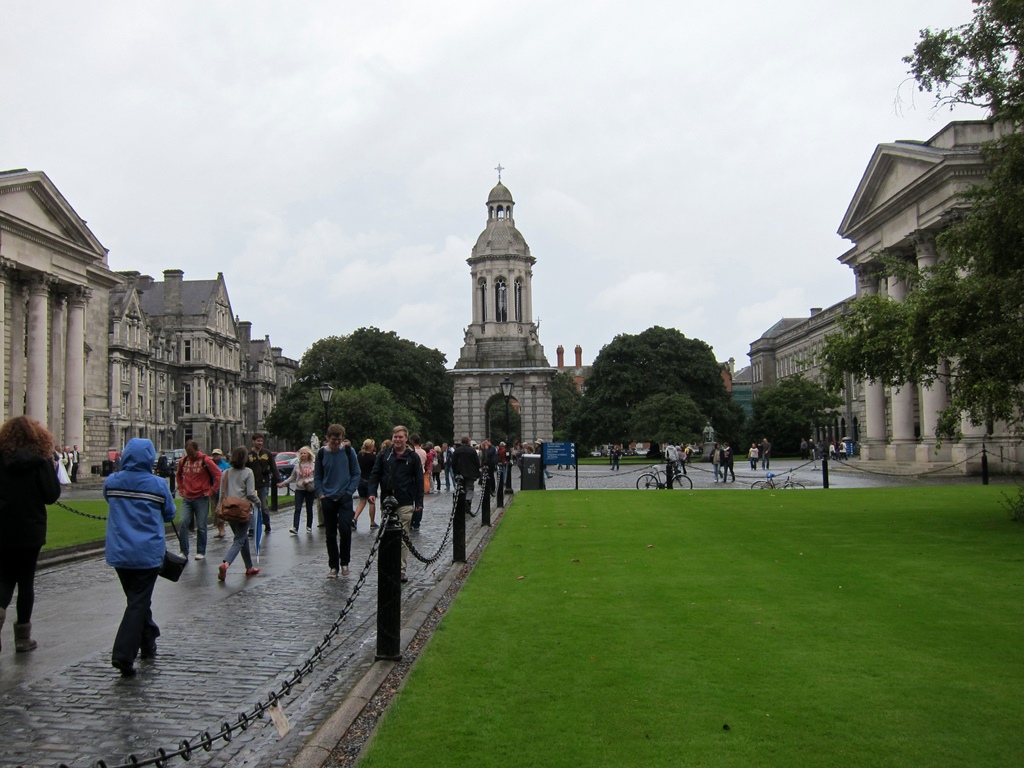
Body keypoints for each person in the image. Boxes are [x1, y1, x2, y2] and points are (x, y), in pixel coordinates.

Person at [103, 437, 176, 676]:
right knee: (138, 602)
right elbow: (169, 514)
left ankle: (148, 639)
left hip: (120, 552)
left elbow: (108, 499)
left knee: (136, 600)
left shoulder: (113, 481)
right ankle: (124, 654)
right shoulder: (157, 484)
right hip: (147, 553)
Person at [0, 416, 61, 654]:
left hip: (2, 527)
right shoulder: (40, 461)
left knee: (4, 578)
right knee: (25, 582)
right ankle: (23, 638)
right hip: (30, 528)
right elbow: (51, 495)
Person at [367, 425, 424, 584]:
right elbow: (375, 474)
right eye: (395, 437)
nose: (397, 439)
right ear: (392, 438)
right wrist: (372, 492)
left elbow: (419, 480)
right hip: (387, 502)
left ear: (406, 438)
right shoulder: (384, 455)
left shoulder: (412, 457)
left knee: (402, 536)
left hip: (405, 501)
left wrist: (419, 501)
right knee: (386, 535)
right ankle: (388, 566)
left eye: (400, 437)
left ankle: (400, 570)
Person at [314, 424, 360, 578]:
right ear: (327, 438)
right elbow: (318, 476)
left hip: (344, 497)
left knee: (346, 530)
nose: (336, 443)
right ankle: (333, 566)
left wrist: (349, 491)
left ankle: (345, 562)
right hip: (328, 497)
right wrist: (321, 494)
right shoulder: (321, 454)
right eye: (334, 440)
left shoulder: (348, 451)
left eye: (339, 440)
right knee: (330, 533)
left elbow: (356, 473)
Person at [217, 446, 262, 582]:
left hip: (229, 509)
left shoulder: (226, 473)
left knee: (241, 538)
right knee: (239, 540)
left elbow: (221, 493)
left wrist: (220, 507)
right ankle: (226, 563)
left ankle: (249, 567)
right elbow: (250, 493)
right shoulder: (248, 472)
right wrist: (258, 502)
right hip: (243, 510)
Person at [174, 440, 221, 560]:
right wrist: (181, 488)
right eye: (189, 454)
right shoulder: (183, 461)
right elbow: (178, 475)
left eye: (193, 454)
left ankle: (201, 551)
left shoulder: (205, 460)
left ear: (197, 450)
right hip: (187, 498)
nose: (191, 456)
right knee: (183, 523)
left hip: (201, 497)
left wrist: (211, 491)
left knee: (201, 526)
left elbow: (218, 475)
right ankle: (184, 551)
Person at [281, 446, 316, 534]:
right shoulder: (297, 465)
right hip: (299, 489)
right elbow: (292, 477)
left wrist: (308, 480)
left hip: (309, 488)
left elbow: (316, 477)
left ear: (308, 454)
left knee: (309, 508)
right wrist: (284, 483)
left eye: (305, 453)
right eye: (301, 453)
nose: (303, 455)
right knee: (297, 508)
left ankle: (309, 526)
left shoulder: (313, 465)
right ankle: (295, 527)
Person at [247, 433, 278, 534]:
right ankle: (251, 527)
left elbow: (273, 467)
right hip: (251, 484)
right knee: (251, 506)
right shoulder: (249, 454)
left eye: (261, 441)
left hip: (263, 483)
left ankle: (267, 523)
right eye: (258, 441)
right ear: (253, 441)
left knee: (263, 505)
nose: (260, 443)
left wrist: (278, 479)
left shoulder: (267, 453)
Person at [353, 439, 378, 529]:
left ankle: (355, 518)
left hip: (361, 480)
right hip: (370, 481)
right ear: (371, 446)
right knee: (372, 502)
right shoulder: (373, 457)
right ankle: (372, 522)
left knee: (362, 501)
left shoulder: (360, 455)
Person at [210, 448, 231, 538]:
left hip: (222, 491)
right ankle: (220, 529)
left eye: (217, 455)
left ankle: (222, 529)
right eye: (214, 455)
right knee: (214, 510)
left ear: (221, 455)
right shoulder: (209, 465)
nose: (215, 456)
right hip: (213, 490)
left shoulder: (225, 465)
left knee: (221, 510)